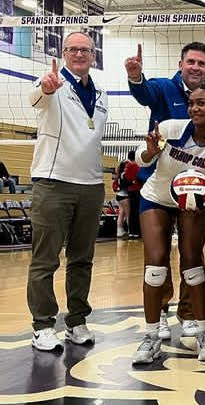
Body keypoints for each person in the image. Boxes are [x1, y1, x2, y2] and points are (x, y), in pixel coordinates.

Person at [131, 82, 205, 364]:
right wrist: (150, 151)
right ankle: (150, 337)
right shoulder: (172, 127)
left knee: (192, 263)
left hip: (194, 201)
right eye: (191, 103)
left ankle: (203, 332)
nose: (194, 108)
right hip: (157, 198)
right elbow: (141, 158)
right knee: (156, 264)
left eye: (202, 103)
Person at [125, 41, 205, 338]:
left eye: (201, 64)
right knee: (157, 257)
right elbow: (143, 93)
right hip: (160, 181)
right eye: (191, 62)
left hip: (194, 187)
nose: (195, 67)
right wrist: (136, 76)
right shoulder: (164, 88)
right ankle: (160, 315)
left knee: (192, 255)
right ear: (181, 64)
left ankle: (189, 315)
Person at [27, 32, 108, 351]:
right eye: (73, 49)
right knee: (45, 259)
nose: (79, 54)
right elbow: (36, 97)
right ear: (63, 53)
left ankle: (77, 321)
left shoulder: (101, 91)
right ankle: (42, 326)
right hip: (53, 182)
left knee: (82, 259)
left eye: (85, 50)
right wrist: (46, 88)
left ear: (93, 55)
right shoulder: (49, 81)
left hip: (91, 185)